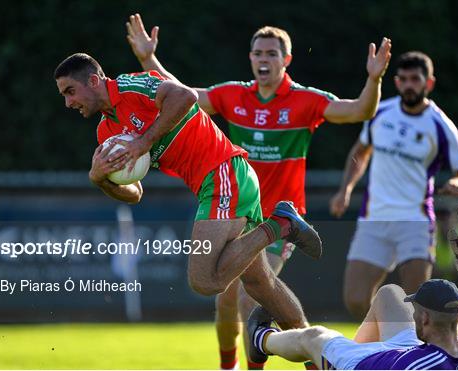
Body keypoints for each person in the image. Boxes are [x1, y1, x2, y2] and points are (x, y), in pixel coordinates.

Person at [125, 13, 391, 369]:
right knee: (224, 303)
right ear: (250, 58)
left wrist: (374, 80)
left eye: (270, 53)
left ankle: (291, 359)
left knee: (252, 299)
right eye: (257, 53)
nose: (263, 59)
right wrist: (148, 58)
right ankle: (237, 364)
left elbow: (360, 110)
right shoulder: (234, 95)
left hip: (283, 215)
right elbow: (185, 96)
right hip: (239, 215)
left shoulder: (305, 100)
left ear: (286, 60)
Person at [54, 53, 322, 338]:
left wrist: (144, 142)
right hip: (219, 183)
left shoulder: (131, 87)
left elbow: (185, 95)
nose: (68, 102)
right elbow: (135, 194)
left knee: (205, 281)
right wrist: (100, 180)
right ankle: (315, 354)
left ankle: (281, 224)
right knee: (261, 285)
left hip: (223, 173)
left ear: (94, 81)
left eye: (70, 91)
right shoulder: (107, 133)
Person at [248, 206, 458, 370]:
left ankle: (260, 339)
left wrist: (335, 353)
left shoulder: (407, 364)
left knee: (313, 337)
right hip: (420, 350)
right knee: (390, 294)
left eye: (417, 309)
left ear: (426, 318)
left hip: (373, 365)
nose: (414, 314)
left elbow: (366, 362)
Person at [329, 51, 458, 319]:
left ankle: (415, 354)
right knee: (355, 299)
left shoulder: (440, 125)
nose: (409, 84)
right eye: (404, 79)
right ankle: (386, 339)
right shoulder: (381, 112)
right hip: (374, 218)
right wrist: (345, 189)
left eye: (415, 79)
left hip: (415, 221)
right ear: (396, 82)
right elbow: (360, 153)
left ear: (428, 83)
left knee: (420, 305)